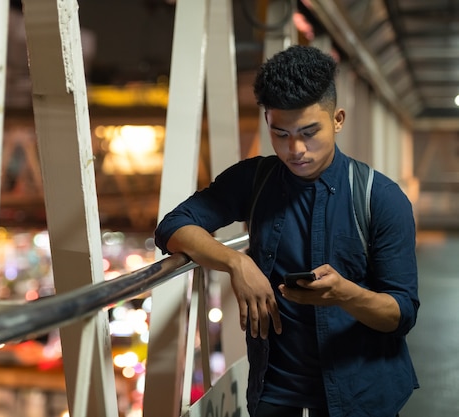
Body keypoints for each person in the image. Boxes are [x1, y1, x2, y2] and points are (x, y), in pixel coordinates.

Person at [154, 45, 419, 417]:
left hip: (361, 394)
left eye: (310, 133)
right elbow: (173, 226)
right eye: (281, 134)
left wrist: (346, 294)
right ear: (268, 123)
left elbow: (401, 314)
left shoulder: (382, 198)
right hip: (274, 393)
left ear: (338, 119)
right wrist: (236, 263)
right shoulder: (255, 179)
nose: (296, 150)